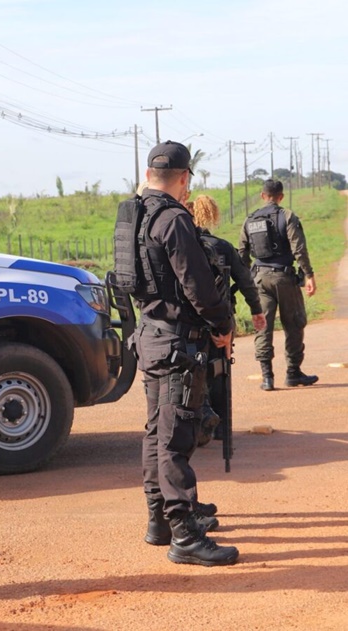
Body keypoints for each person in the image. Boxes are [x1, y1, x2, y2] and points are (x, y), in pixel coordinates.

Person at [123, 141, 240, 566]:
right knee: (175, 439)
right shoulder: (173, 218)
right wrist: (223, 326)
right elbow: (199, 286)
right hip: (176, 343)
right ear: (185, 178)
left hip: (150, 334)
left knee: (157, 433)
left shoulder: (134, 214)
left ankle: (159, 521)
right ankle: (185, 535)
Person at [186, 195, 267, 445]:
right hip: (221, 319)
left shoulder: (185, 247)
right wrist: (256, 310)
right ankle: (221, 427)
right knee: (219, 371)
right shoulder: (222, 246)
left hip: (190, 320)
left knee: (191, 370)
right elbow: (245, 281)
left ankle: (197, 425)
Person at [238, 179, 317, 391]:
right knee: (294, 323)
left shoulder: (249, 219)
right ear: (280, 196)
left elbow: (242, 255)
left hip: (259, 279)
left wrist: (246, 282)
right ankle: (293, 373)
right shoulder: (288, 216)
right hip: (284, 278)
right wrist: (309, 275)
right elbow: (299, 249)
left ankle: (267, 377)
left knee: (263, 326)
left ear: (263, 196)